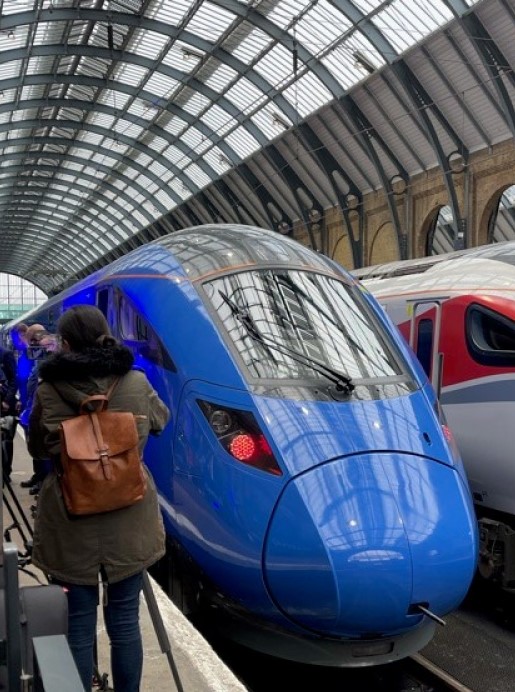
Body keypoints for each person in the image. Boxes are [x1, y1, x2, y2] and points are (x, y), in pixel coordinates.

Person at [28, 305, 170, 692]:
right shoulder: (136, 381)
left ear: (66, 343)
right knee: (125, 622)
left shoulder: (48, 388)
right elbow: (161, 421)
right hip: (130, 516)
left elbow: (39, 447)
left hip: (73, 520)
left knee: (77, 623)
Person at [0, 339, 18, 480]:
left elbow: (14, 379)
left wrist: (7, 400)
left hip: (4, 404)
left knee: (6, 438)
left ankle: (6, 471)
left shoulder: (6, 354)